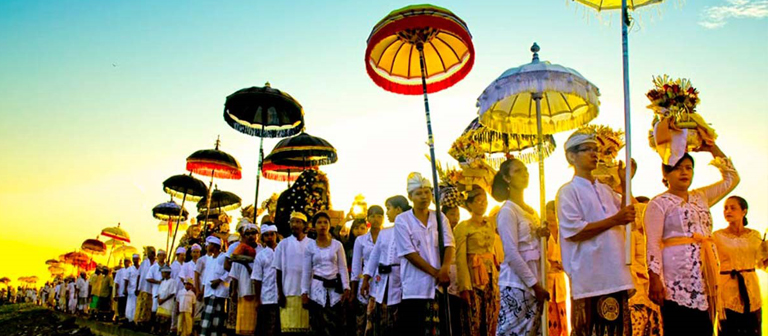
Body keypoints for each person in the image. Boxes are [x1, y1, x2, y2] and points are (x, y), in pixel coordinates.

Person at [645, 144, 739, 336]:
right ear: (666, 174)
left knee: (705, 328)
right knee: (679, 327)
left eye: (688, 168)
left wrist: (712, 148)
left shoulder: (701, 197)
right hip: (676, 278)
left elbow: (732, 178)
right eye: (677, 168)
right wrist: (654, 278)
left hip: (706, 272)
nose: (684, 172)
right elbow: (653, 242)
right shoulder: (659, 203)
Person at [556, 131, 636, 336]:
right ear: (571, 156)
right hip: (591, 277)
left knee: (616, 331)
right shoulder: (568, 191)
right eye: (587, 149)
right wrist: (615, 220)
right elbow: (574, 231)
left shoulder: (606, 190)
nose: (594, 154)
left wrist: (626, 182)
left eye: (596, 150)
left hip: (615, 274)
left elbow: (628, 215)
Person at [493, 158, 549, 336]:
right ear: (507, 178)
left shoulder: (531, 211)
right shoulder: (508, 211)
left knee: (533, 331)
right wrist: (534, 284)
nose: (524, 174)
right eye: (518, 171)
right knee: (512, 332)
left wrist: (542, 237)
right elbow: (511, 252)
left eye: (525, 169)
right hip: (518, 283)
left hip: (536, 279)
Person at [394, 172, 455, 335]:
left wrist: (445, 268)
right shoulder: (402, 220)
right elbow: (409, 253)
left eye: (427, 192)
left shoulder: (439, 217)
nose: (424, 196)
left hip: (439, 285)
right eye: (418, 193)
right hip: (415, 286)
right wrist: (435, 272)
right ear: (410, 196)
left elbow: (449, 244)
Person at [713, 196, 767, 336]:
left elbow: (763, 264)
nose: (728, 211)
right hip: (727, 292)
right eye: (725, 208)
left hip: (752, 290)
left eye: (732, 208)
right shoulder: (717, 236)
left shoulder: (755, 235)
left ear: (744, 211)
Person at [454, 185, 501, 336]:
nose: (483, 204)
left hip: (491, 275)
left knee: (491, 314)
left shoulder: (490, 223)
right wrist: (464, 286)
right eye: (478, 201)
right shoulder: (463, 227)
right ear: (469, 204)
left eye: (485, 201)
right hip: (473, 275)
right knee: (473, 317)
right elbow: (460, 257)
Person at [361, 195, 409, 336]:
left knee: (398, 318)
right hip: (382, 279)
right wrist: (366, 279)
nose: (386, 213)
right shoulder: (385, 232)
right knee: (380, 319)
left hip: (402, 278)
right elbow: (374, 257)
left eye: (389, 209)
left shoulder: (409, 230)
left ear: (398, 209)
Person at [301, 211, 352, 336]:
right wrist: (304, 291)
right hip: (316, 289)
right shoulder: (310, 247)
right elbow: (307, 270)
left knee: (336, 325)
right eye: (319, 223)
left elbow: (342, 267)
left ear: (329, 225)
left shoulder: (337, 245)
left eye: (325, 222)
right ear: (314, 226)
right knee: (318, 325)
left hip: (335, 290)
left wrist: (346, 286)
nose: (322, 225)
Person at [273, 211, 313, 334]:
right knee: (288, 329)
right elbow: (278, 270)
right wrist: (280, 293)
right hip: (288, 292)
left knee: (305, 329)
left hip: (307, 294)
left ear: (304, 225)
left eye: (298, 222)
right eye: (292, 222)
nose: (295, 224)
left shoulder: (312, 244)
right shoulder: (283, 244)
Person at [439, 186, 470, 336]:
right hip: (445, 278)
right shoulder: (438, 233)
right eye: (452, 214)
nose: (455, 218)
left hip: (460, 277)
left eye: (457, 214)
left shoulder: (461, 231)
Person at [350, 206, 384, 336]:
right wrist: (353, 290)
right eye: (373, 216)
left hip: (384, 282)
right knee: (363, 322)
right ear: (368, 218)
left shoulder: (388, 236)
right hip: (366, 283)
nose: (376, 219)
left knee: (382, 321)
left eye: (379, 216)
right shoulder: (361, 240)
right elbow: (356, 266)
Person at [274, 169, 332, 238]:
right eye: (315, 189)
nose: (317, 194)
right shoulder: (289, 197)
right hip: (292, 237)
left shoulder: (321, 198)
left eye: (320, 191)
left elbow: (327, 215)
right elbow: (282, 223)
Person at [228, 223, 260, 336]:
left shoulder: (262, 250)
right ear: (244, 235)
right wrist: (233, 291)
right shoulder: (239, 251)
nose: (251, 236)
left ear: (258, 235)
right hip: (243, 291)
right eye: (248, 233)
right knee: (243, 327)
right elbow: (234, 274)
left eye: (253, 233)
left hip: (260, 293)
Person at [544, 201, 569, 336]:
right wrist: (551, 264)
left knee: (561, 315)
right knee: (549, 316)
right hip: (547, 277)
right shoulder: (543, 233)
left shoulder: (563, 232)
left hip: (559, 278)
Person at [253, 223, 281, 336]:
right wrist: (257, 299)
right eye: (266, 235)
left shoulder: (283, 250)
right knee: (266, 329)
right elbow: (257, 278)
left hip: (282, 296)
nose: (270, 237)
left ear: (276, 235)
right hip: (266, 297)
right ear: (263, 237)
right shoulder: (260, 255)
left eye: (272, 234)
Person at [199, 236, 230, 336]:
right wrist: (202, 291)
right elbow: (205, 277)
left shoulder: (224, 257)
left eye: (209, 245)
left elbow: (230, 271)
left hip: (219, 293)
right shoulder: (210, 259)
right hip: (209, 292)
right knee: (207, 320)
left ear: (215, 246)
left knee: (216, 322)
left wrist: (219, 280)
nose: (207, 247)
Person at [134, 246, 157, 328]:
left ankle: (145, 323)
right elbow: (139, 275)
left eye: (150, 253)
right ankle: (138, 322)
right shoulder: (144, 263)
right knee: (141, 306)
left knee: (148, 308)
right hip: (143, 288)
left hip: (151, 289)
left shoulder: (156, 264)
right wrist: (137, 287)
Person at [156, 265, 176, 334]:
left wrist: (163, 300)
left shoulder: (172, 281)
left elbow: (172, 293)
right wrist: (159, 299)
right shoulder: (163, 281)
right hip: (161, 302)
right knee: (160, 318)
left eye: (163, 273)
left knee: (166, 319)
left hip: (167, 302)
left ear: (167, 273)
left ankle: (166, 331)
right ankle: (160, 330)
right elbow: (159, 291)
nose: (162, 274)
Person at [125, 254, 140, 323]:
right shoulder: (129, 269)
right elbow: (126, 279)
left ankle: (135, 319)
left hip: (139, 290)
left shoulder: (141, 268)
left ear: (139, 259)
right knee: (130, 305)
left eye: (137, 259)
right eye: (134, 259)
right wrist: (125, 289)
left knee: (137, 305)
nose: (135, 260)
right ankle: (129, 319)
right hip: (131, 290)